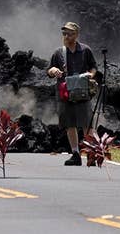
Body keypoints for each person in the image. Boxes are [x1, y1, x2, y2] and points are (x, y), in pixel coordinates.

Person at [47, 21, 97, 166]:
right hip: (65, 92)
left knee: (87, 123)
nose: (66, 36)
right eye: (64, 33)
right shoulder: (58, 52)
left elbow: (94, 67)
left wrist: (90, 75)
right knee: (70, 124)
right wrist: (53, 71)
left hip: (82, 91)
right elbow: (49, 70)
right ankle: (75, 153)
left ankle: (91, 153)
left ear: (76, 34)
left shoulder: (85, 50)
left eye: (69, 33)